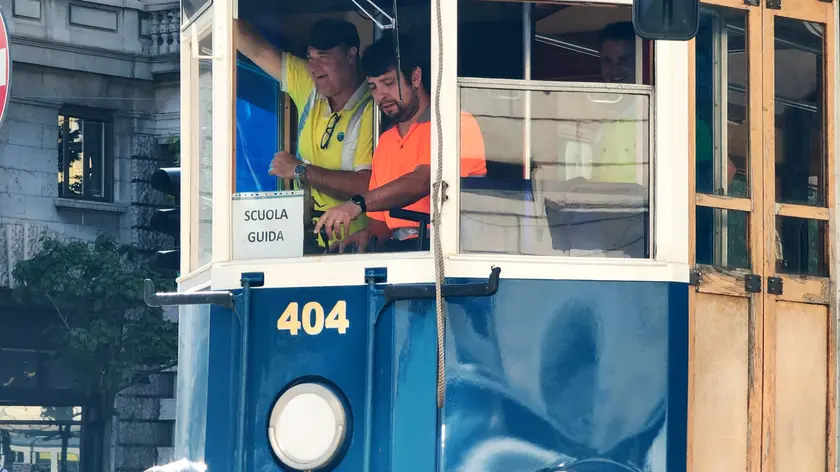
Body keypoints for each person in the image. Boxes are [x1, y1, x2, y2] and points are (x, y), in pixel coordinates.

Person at [313, 34, 487, 252]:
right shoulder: (386, 140)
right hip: (404, 254)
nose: (381, 95)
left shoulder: (455, 123)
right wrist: (364, 236)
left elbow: (423, 181)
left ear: (415, 77)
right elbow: (382, 223)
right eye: (373, 87)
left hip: (451, 252)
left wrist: (356, 204)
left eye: (388, 83)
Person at [234, 17, 375, 243]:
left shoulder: (372, 107)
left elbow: (367, 186)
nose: (314, 67)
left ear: (351, 55)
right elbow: (253, 47)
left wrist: (301, 171)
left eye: (324, 57)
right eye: (310, 58)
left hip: (355, 248)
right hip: (311, 242)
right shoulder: (310, 85)